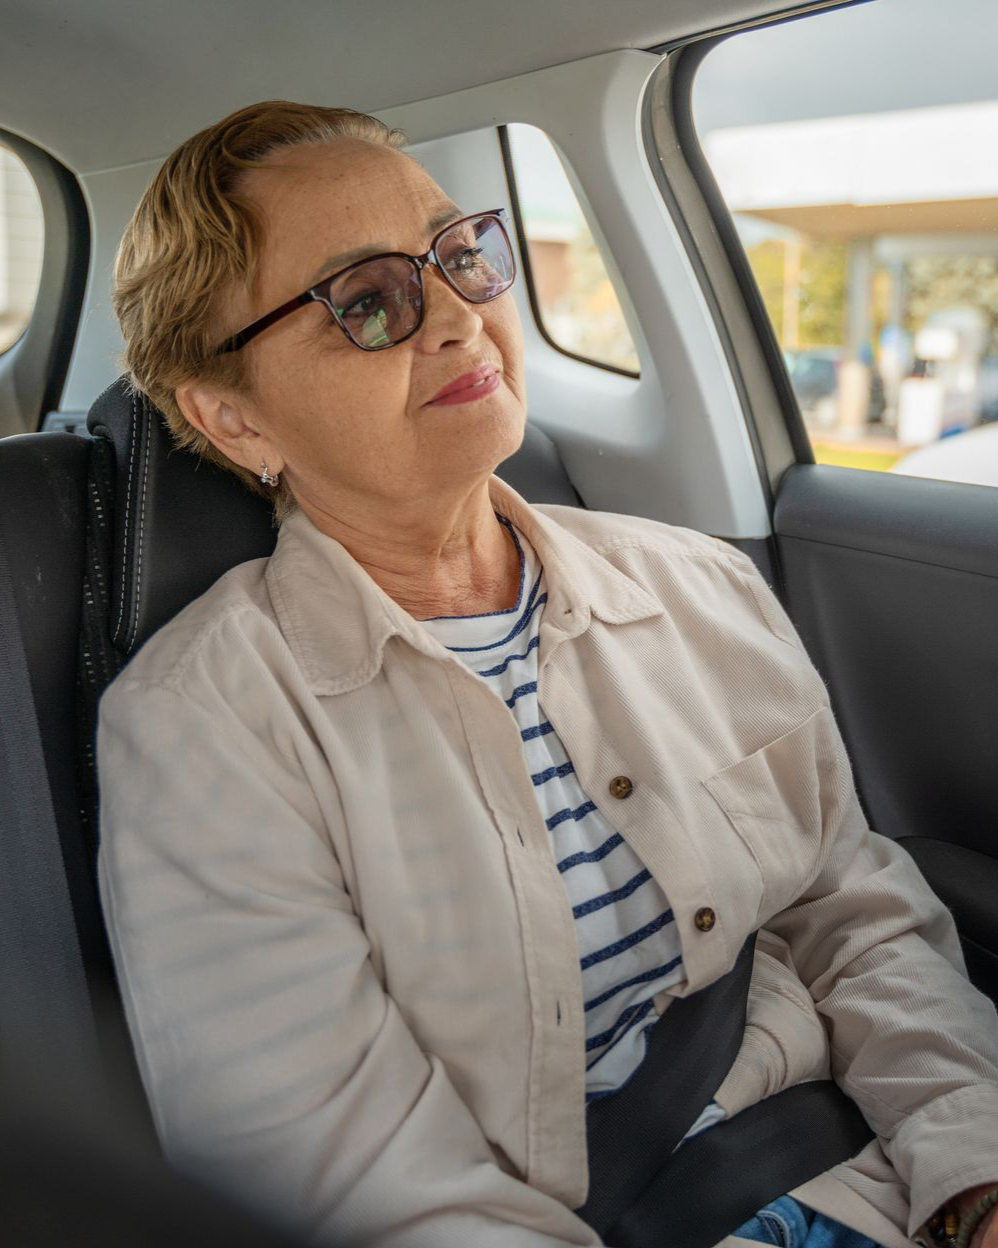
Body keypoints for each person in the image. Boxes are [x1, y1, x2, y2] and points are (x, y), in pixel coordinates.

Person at [97, 101, 998, 1248]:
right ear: (232, 419)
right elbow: (342, 1178)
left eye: (459, 255)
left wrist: (971, 1175)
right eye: (366, 301)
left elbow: (850, 915)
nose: (458, 317)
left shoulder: (697, 586)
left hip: (865, 1176)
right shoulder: (203, 727)